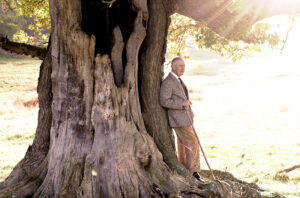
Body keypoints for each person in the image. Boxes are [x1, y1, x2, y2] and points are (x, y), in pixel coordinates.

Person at [160, 57, 203, 181]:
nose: (183, 68)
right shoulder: (168, 82)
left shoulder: (178, 80)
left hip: (185, 118)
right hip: (178, 119)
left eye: (184, 66)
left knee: (184, 145)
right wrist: (181, 103)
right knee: (193, 143)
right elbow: (164, 100)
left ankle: (185, 169)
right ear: (173, 66)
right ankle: (194, 172)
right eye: (180, 66)